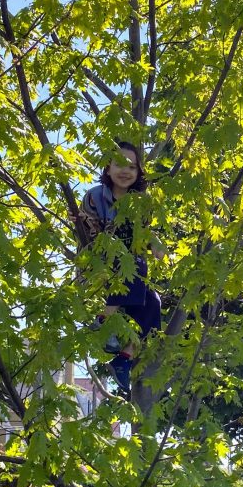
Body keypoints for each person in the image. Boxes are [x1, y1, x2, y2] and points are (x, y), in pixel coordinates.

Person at [78, 141, 163, 396]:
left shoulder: (142, 203)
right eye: (119, 164)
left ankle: (124, 357)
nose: (125, 171)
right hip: (100, 266)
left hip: (132, 275)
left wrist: (157, 245)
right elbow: (87, 236)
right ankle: (104, 321)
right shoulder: (94, 196)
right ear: (108, 167)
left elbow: (146, 235)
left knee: (154, 303)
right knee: (134, 263)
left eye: (132, 166)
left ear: (139, 172)